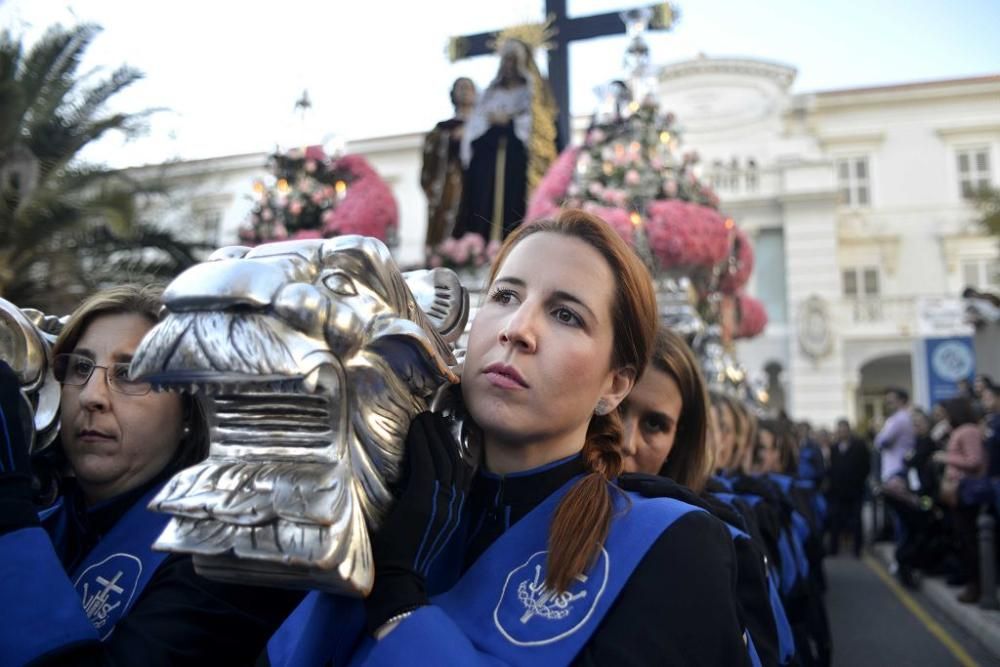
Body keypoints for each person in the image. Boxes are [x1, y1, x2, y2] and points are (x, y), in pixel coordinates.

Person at [268, 210, 751, 666]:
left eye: (566, 315)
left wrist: (399, 604)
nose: (518, 329)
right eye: (505, 296)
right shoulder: (379, 491)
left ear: (615, 385)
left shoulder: (671, 544)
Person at [0, 285, 302, 665]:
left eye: (130, 373)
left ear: (190, 413)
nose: (93, 395)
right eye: (80, 367)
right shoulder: (45, 516)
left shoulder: (232, 551)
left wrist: (7, 510)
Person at [452, 39, 558, 243]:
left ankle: (510, 241)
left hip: (515, 154)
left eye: (513, 60)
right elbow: (477, 124)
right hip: (489, 154)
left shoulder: (530, 91)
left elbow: (536, 124)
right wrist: (491, 120)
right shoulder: (491, 91)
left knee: (512, 202)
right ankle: (481, 244)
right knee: (484, 200)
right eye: (505, 60)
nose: (508, 66)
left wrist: (510, 121)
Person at [932, 397, 987, 603]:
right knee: (962, 540)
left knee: (969, 541)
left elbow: (974, 461)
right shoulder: (958, 431)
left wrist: (945, 457)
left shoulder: (968, 431)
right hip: (956, 493)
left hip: (966, 492)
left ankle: (976, 586)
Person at [421, 77, 477, 249]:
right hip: (450, 187)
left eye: (468, 88)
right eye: (460, 88)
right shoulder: (441, 129)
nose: (464, 91)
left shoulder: (483, 126)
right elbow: (429, 168)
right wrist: (447, 139)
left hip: (476, 186)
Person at [826, 419, 870, 557]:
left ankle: (857, 550)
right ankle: (834, 549)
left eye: (844, 429)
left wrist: (859, 481)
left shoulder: (859, 445)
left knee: (856, 520)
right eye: (839, 430)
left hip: (855, 490)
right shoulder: (833, 447)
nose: (841, 432)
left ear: (848, 430)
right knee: (835, 520)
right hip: (838, 491)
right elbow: (831, 468)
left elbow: (866, 466)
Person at [874, 388, 915, 482]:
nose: (887, 404)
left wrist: (878, 431)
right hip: (896, 468)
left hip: (896, 469)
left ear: (901, 401)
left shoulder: (899, 418)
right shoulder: (901, 417)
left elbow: (882, 441)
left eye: (891, 401)